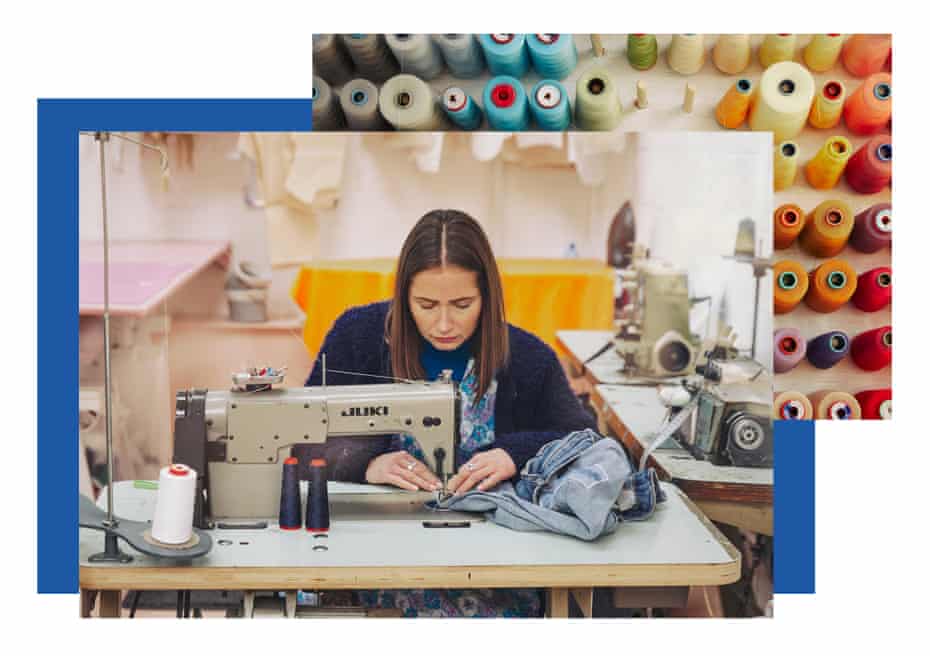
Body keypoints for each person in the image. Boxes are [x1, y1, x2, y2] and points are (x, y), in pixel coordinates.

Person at [303, 209, 598, 617]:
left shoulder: (528, 358)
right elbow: (303, 438)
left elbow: (584, 437)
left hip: (491, 567)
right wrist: (365, 462)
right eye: (425, 304)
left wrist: (514, 453)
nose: (444, 323)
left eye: (462, 304)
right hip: (367, 560)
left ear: (487, 297)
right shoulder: (356, 336)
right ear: (404, 296)